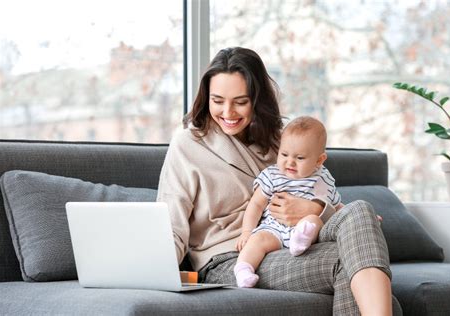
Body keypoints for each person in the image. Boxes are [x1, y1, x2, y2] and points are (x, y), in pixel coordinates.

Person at [157, 47, 393, 315]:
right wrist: (149, 275)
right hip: (231, 260)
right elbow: (170, 226)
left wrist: (315, 209)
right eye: (218, 100)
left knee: (361, 209)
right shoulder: (188, 145)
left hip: (291, 242)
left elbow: (319, 193)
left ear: (257, 101)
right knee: (362, 276)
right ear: (206, 98)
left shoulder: (282, 143)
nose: (228, 112)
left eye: (240, 101)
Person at [235, 116, 343, 288]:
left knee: (314, 220)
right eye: (284, 154)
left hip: (305, 233)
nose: (290, 162)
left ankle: (300, 239)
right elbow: (255, 205)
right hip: (274, 229)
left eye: (300, 158)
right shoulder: (272, 175)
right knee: (257, 240)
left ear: (319, 160)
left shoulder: (323, 179)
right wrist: (247, 232)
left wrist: (355, 215)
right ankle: (243, 270)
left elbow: (338, 207)